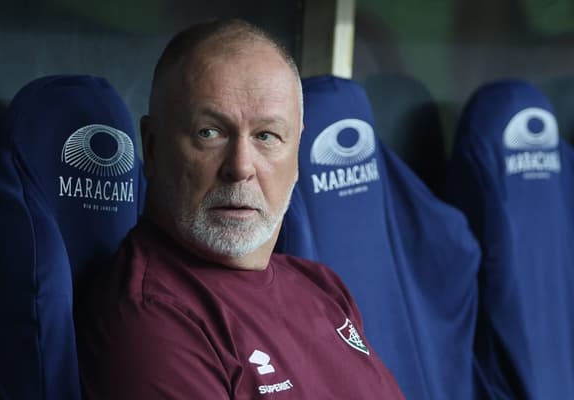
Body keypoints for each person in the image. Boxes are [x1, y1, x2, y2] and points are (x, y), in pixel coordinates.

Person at [75, 18, 404, 399]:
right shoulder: (149, 318)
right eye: (209, 133)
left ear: (296, 152)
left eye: (267, 136)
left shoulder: (323, 287)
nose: (241, 167)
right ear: (151, 147)